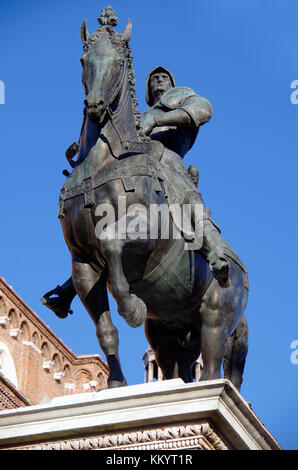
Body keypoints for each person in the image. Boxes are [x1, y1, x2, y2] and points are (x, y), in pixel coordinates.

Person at [41, 66, 229, 318]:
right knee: (104, 218)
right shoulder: (138, 117)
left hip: (166, 159)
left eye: (163, 78)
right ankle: (72, 286)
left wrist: (159, 120)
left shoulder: (182, 99)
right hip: (137, 166)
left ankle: (214, 251)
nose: (158, 81)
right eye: (153, 79)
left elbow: (204, 111)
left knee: (184, 192)